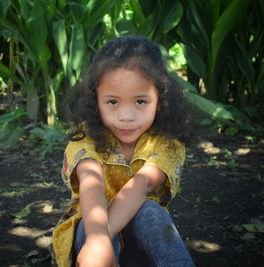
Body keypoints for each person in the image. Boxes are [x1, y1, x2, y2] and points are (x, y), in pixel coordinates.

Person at [52, 35, 195, 267]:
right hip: (91, 240)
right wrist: (98, 242)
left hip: (141, 244)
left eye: (140, 102)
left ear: (160, 100)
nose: (126, 116)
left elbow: (140, 186)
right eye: (112, 102)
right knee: (91, 227)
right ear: (95, 100)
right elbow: (91, 184)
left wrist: (101, 239)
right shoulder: (85, 140)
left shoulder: (167, 143)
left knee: (151, 212)